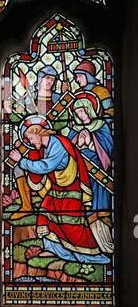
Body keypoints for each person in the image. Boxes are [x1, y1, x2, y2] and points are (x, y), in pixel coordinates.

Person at [9, 121, 110, 264]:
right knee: (46, 214)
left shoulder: (57, 143)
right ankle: (55, 250)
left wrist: (21, 160)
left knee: (71, 224)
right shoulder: (47, 146)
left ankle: (91, 255)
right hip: (58, 189)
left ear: (38, 131)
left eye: (30, 137)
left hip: (70, 190)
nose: (30, 142)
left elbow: (46, 166)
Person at [68, 96, 114, 253]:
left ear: (89, 109)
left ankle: (105, 244)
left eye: (82, 110)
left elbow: (108, 151)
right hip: (81, 177)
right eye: (77, 112)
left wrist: (91, 142)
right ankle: (86, 244)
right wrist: (78, 144)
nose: (80, 114)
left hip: (99, 179)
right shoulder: (74, 130)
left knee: (99, 209)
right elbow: (67, 153)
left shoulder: (102, 127)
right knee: (81, 208)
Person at [4, 65, 67, 130]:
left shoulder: (58, 99)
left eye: (52, 79)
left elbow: (64, 120)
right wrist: (9, 111)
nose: (50, 82)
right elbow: (20, 119)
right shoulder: (29, 98)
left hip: (52, 135)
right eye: (47, 78)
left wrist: (47, 128)